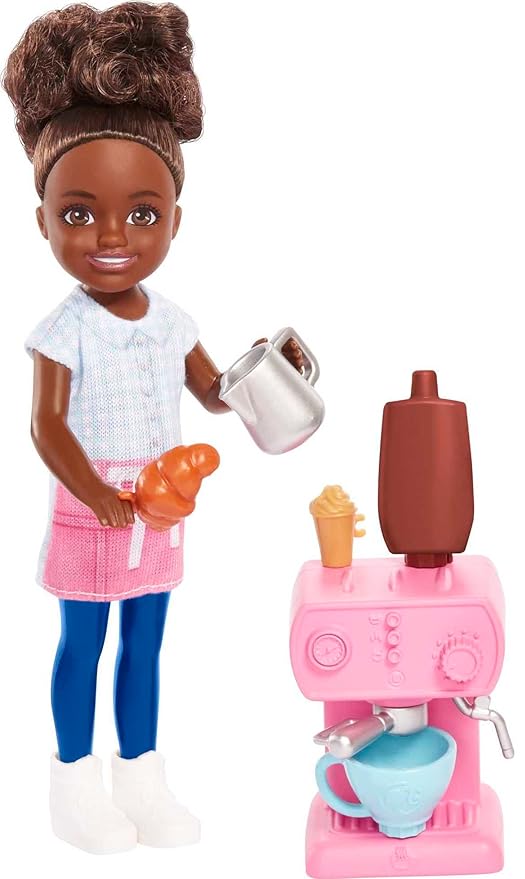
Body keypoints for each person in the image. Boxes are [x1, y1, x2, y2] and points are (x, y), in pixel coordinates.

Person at [2, 1, 303, 854]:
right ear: (42, 219)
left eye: (140, 214)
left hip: (164, 509)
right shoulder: (62, 330)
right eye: (78, 214)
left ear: (174, 218)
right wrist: (95, 491)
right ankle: (73, 781)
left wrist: (262, 369)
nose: (110, 236)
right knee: (82, 643)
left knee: (146, 644)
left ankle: (141, 774)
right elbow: (45, 426)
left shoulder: (171, 321)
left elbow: (213, 393)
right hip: (93, 510)